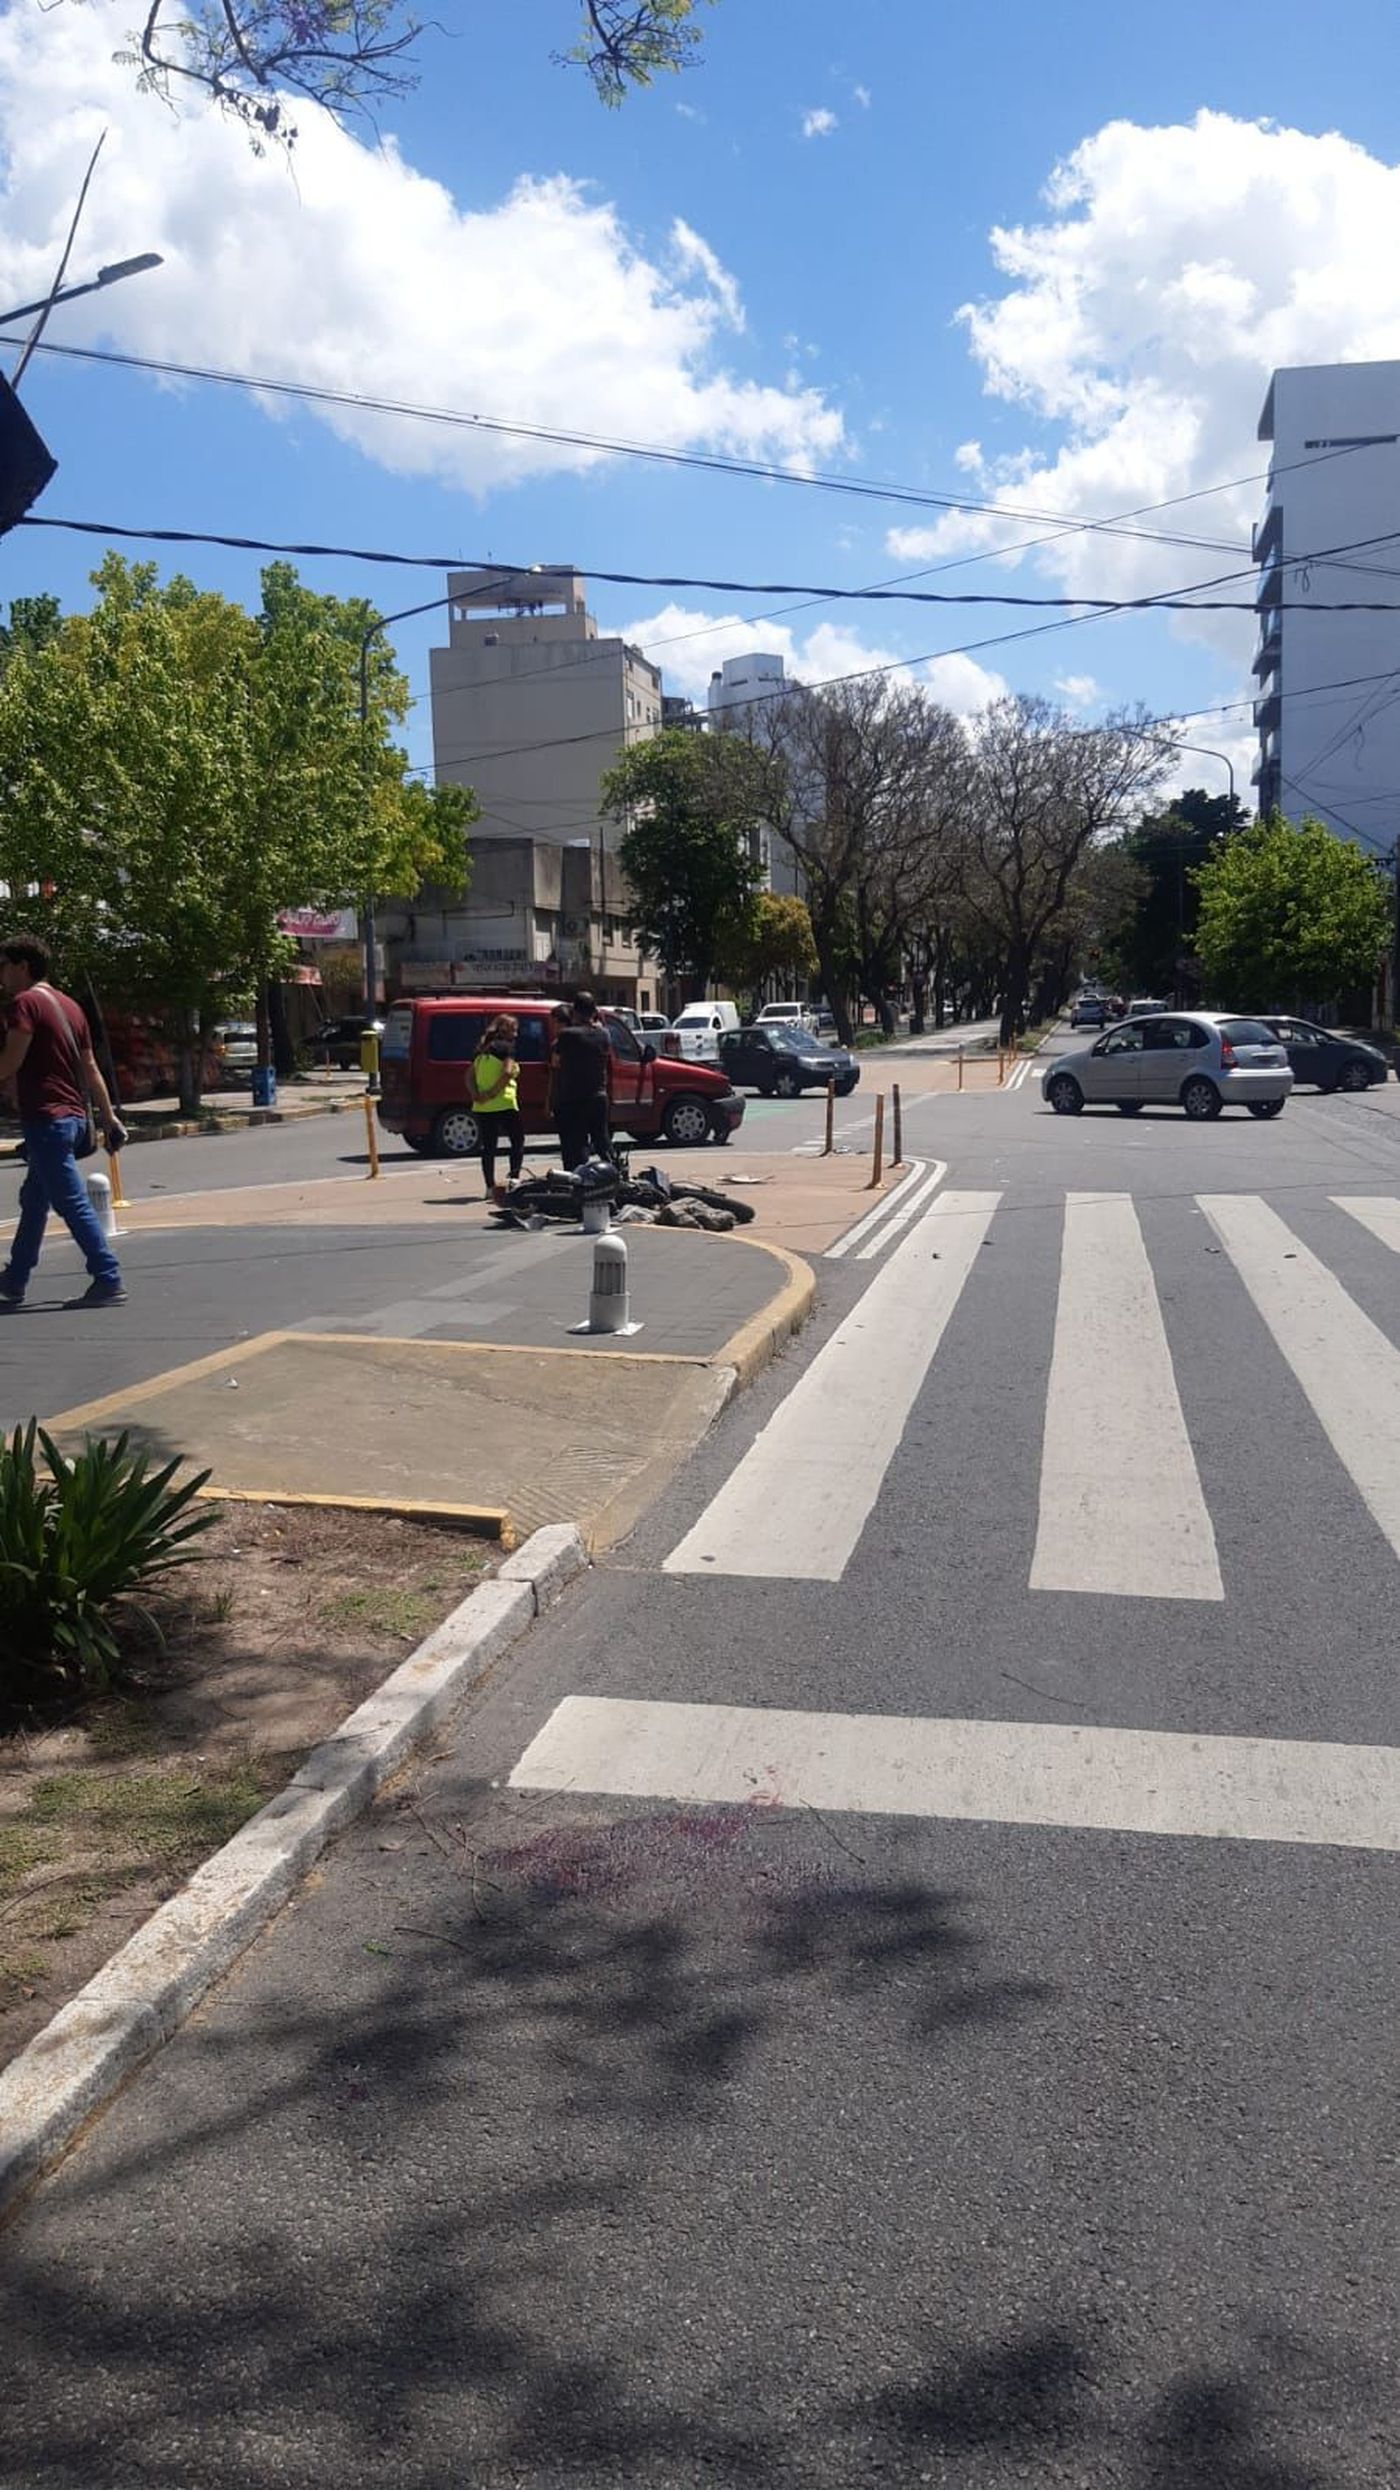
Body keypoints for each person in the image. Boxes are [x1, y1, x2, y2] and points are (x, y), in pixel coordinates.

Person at [0, 935, 129, 1309]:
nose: (1, 975)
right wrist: (108, 1116)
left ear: (24, 966)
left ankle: (108, 1277)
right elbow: (90, 1068)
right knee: (35, 1198)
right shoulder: (70, 1006)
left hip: (47, 1119)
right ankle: (16, 1278)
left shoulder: (25, 1003)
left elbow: (11, 1061)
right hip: (72, 1119)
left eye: (4, 965)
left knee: (70, 1202)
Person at [550, 990, 613, 1170]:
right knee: (602, 1140)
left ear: (574, 1012)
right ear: (593, 1011)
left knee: (576, 1146)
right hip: (598, 1095)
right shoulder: (604, 1034)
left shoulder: (567, 1035)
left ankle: (577, 1183)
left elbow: (556, 1061)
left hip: (573, 1098)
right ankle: (617, 1176)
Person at [470, 1012, 525, 1196]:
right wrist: (493, 1093)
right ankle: (514, 1181)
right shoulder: (506, 1048)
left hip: (483, 1106)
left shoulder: (481, 1049)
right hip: (505, 1102)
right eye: (513, 1030)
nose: (516, 1034)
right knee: (517, 1141)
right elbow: (508, 1072)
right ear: (504, 1030)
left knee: (488, 1147)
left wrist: (477, 1095)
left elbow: (468, 1076)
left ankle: (489, 1187)